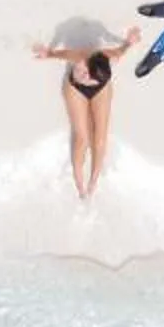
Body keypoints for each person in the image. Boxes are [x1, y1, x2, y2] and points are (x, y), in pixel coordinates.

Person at [30, 24, 142, 199]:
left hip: (101, 91)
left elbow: (121, 51)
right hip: (75, 90)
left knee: (100, 138)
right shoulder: (81, 56)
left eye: (90, 78)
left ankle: (93, 181)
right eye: (84, 72)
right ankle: (79, 182)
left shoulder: (110, 58)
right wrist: (48, 53)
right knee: (82, 138)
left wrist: (129, 42)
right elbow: (62, 54)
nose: (84, 77)